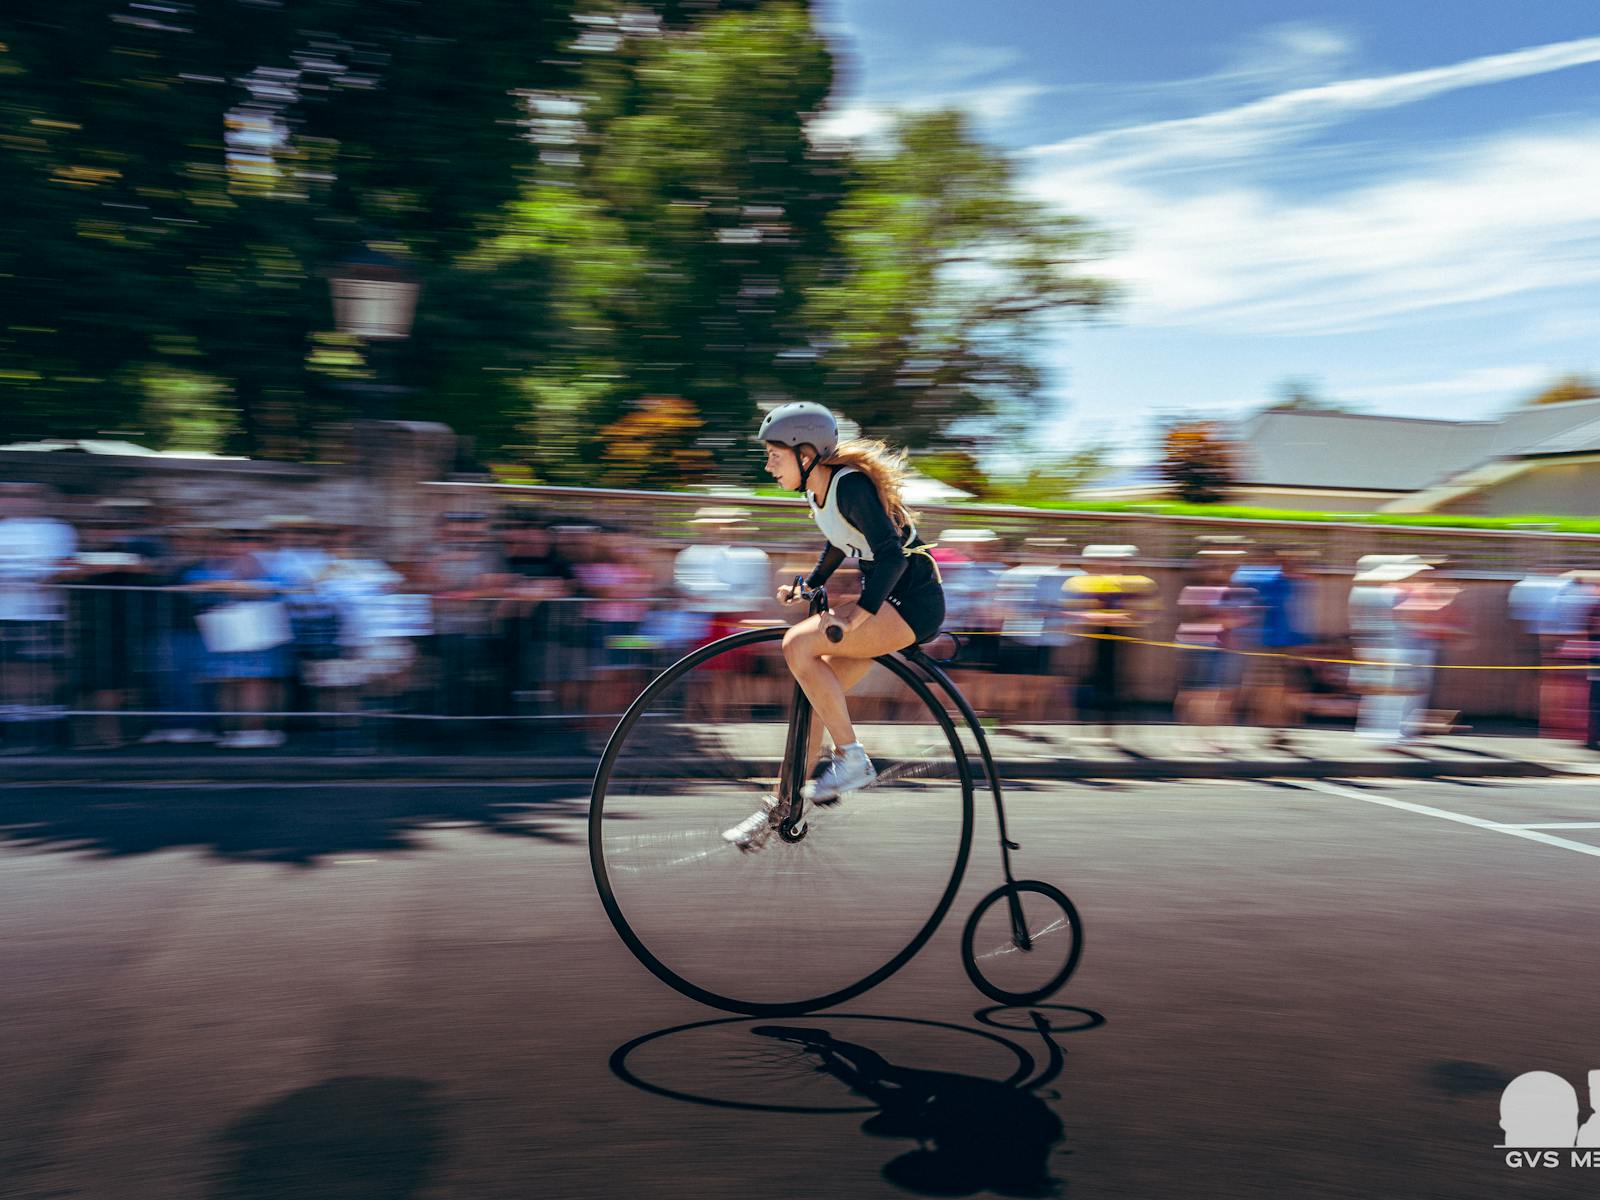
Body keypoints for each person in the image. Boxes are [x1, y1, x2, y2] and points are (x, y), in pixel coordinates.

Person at [723, 402, 945, 849]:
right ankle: (778, 810)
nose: (768, 466)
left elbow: (893, 556)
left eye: (774, 456)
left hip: (912, 603)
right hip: (887, 601)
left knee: (796, 645)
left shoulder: (851, 485)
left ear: (806, 454)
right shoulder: (817, 489)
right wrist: (812, 583)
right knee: (815, 706)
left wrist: (861, 611)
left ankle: (852, 758)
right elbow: (838, 540)